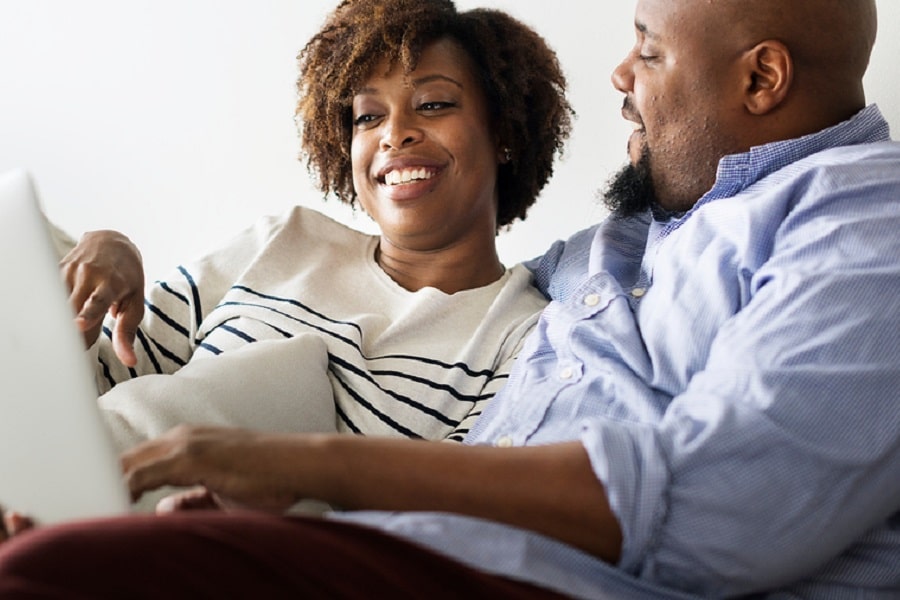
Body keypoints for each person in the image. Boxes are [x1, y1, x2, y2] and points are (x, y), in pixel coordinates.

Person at [2, 0, 899, 597]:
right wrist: (102, 250)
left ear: (762, 79)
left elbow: (721, 503)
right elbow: (102, 356)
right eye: (366, 114)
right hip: (403, 545)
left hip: (500, 575)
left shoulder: (862, 221)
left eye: (649, 51)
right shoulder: (611, 246)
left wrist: (300, 470)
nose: (621, 76)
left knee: (52, 572)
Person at [49, 0, 572, 454]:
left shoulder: (529, 336)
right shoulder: (282, 241)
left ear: (504, 131)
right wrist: (103, 257)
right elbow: (94, 378)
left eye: (433, 105)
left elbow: (444, 518)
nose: (393, 134)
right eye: (367, 116)